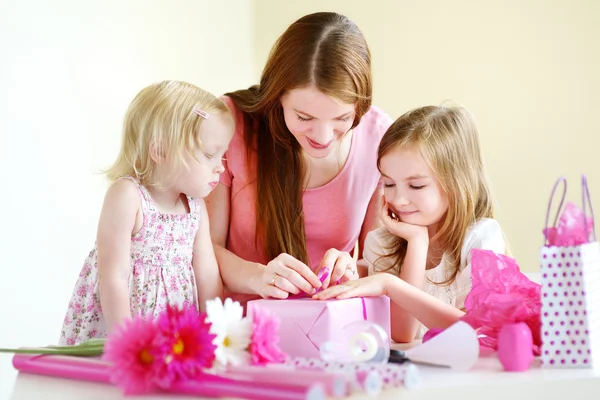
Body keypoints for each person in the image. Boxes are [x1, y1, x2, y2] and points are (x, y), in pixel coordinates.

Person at [206, 12, 393, 304]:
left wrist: (353, 270)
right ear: (277, 96)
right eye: (304, 116)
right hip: (240, 328)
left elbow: (379, 264)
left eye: (343, 118)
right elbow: (203, 248)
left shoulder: (379, 137)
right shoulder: (232, 123)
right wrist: (256, 276)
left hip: (333, 329)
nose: (323, 136)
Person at [59, 80, 234, 345]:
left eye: (222, 156)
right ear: (160, 151)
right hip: (125, 327)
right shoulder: (128, 196)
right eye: (210, 154)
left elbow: (208, 274)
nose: (220, 167)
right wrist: (127, 342)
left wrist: (217, 334)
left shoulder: (195, 207)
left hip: (175, 333)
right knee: (112, 385)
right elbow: (114, 276)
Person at [313, 104, 507, 343]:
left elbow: (476, 332)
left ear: (457, 183)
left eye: (416, 186)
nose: (399, 200)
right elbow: (402, 334)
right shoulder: (383, 243)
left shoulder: (480, 239)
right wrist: (417, 242)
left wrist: (390, 285)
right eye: (389, 184)